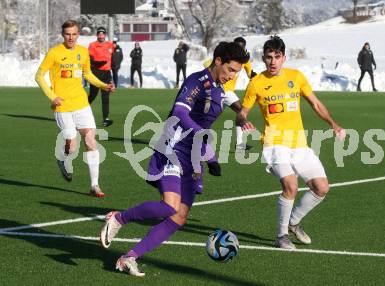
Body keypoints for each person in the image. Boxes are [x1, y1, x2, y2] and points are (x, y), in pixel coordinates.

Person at [100, 41, 249, 277]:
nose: (232, 76)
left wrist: (209, 157)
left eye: (237, 72)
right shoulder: (196, 81)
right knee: (169, 206)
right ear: (218, 60)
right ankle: (118, 218)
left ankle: (129, 257)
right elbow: (179, 113)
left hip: (192, 157)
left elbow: (204, 126)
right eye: (231, 69)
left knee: (179, 216)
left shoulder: (221, 92)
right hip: (172, 147)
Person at [236, 36, 345, 249]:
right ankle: (281, 235)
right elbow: (242, 113)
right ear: (264, 58)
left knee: (321, 188)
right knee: (291, 186)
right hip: (274, 144)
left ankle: (293, 222)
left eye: (277, 57)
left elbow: (315, 103)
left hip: (299, 144)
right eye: (269, 57)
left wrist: (333, 124)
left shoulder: (296, 77)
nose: (273, 61)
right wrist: (244, 121)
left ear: (284, 57)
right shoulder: (256, 83)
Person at [35, 20, 115, 197]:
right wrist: (52, 96)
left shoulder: (82, 52)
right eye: (67, 34)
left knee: (90, 140)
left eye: (74, 34)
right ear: (63, 35)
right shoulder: (54, 52)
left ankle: (95, 185)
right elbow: (39, 76)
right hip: (62, 106)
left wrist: (104, 85)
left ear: (78, 34)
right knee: (72, 147)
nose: (71, 37)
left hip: (81, 104)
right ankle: (63, 160)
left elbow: (87, 74)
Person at [203, 37, 257, 150]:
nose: (239, 49)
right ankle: (239, 144)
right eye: (237, 46)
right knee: (240, 112)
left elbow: (250, 73)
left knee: (210, 115)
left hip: (227, 92)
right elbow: (207, 64)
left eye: (241, 47)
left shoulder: (244, 61)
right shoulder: (225, 57)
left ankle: (239, 143)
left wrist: (254, 77)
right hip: (222, 90)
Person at [88, 27, 115, 127]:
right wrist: (98, 63)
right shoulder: (92, 45)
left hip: (106, 73)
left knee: (105, 97)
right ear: (97, 35)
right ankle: (79, 113)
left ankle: (106, 119)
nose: (101, 35)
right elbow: (89, 60)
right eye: (99, 34)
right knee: (92, 95)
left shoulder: (110, 45)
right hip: (96, 73)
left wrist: (113, 71)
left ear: (105, 34)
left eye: (102, 34)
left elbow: (113, 59)